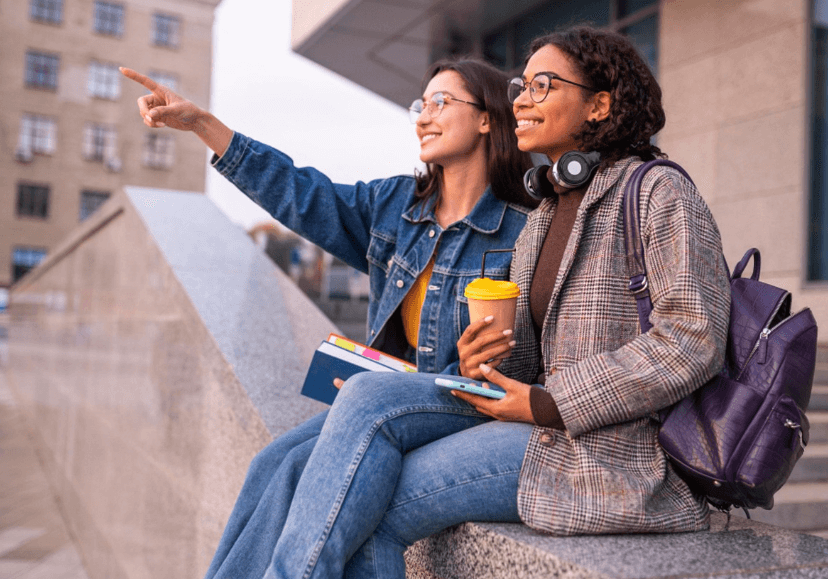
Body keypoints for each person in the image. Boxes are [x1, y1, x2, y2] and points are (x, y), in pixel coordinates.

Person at [242, 26, 730, 579]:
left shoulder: (659, 191)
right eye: (522, 85)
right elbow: (529, 359)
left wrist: (549, 403)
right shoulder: (548, 211)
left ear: (599, 105)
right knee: (361, 433)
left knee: (363, 478)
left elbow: (694, 338)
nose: (520, 98)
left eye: (543, 85)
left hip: (609, 456)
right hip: (541, 431)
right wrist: (484, 359)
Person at [121, 59, 534, 579]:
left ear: (486, 119)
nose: (423, 117)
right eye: (419, 105)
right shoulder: (395, 206)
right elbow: (301, 194)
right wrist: (204, 124)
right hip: (397, 397)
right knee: (273, 462)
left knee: (308, 464)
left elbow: (531, 351)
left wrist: (387, 391)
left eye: (440, 103)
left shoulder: (522, 231)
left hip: (468, 402)